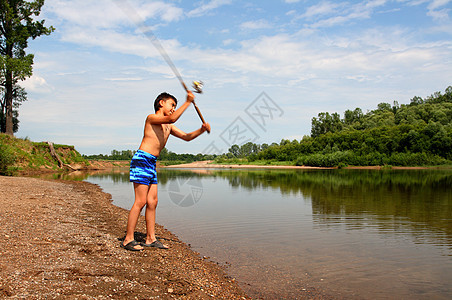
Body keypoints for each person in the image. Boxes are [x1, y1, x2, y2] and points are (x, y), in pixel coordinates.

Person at [121, 91, 211, 251]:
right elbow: (171, 117)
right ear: (161, 103)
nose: (173, 108)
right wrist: (188, 102)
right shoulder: (152, 118)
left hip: (152, 163)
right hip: (142, 159)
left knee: (153, 202)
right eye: (172, 105)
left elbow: (186, 137)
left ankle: (150, 238)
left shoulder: (169, 126)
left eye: (175, 106)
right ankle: (128, 239)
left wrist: (201, 130)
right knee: (140, 202)